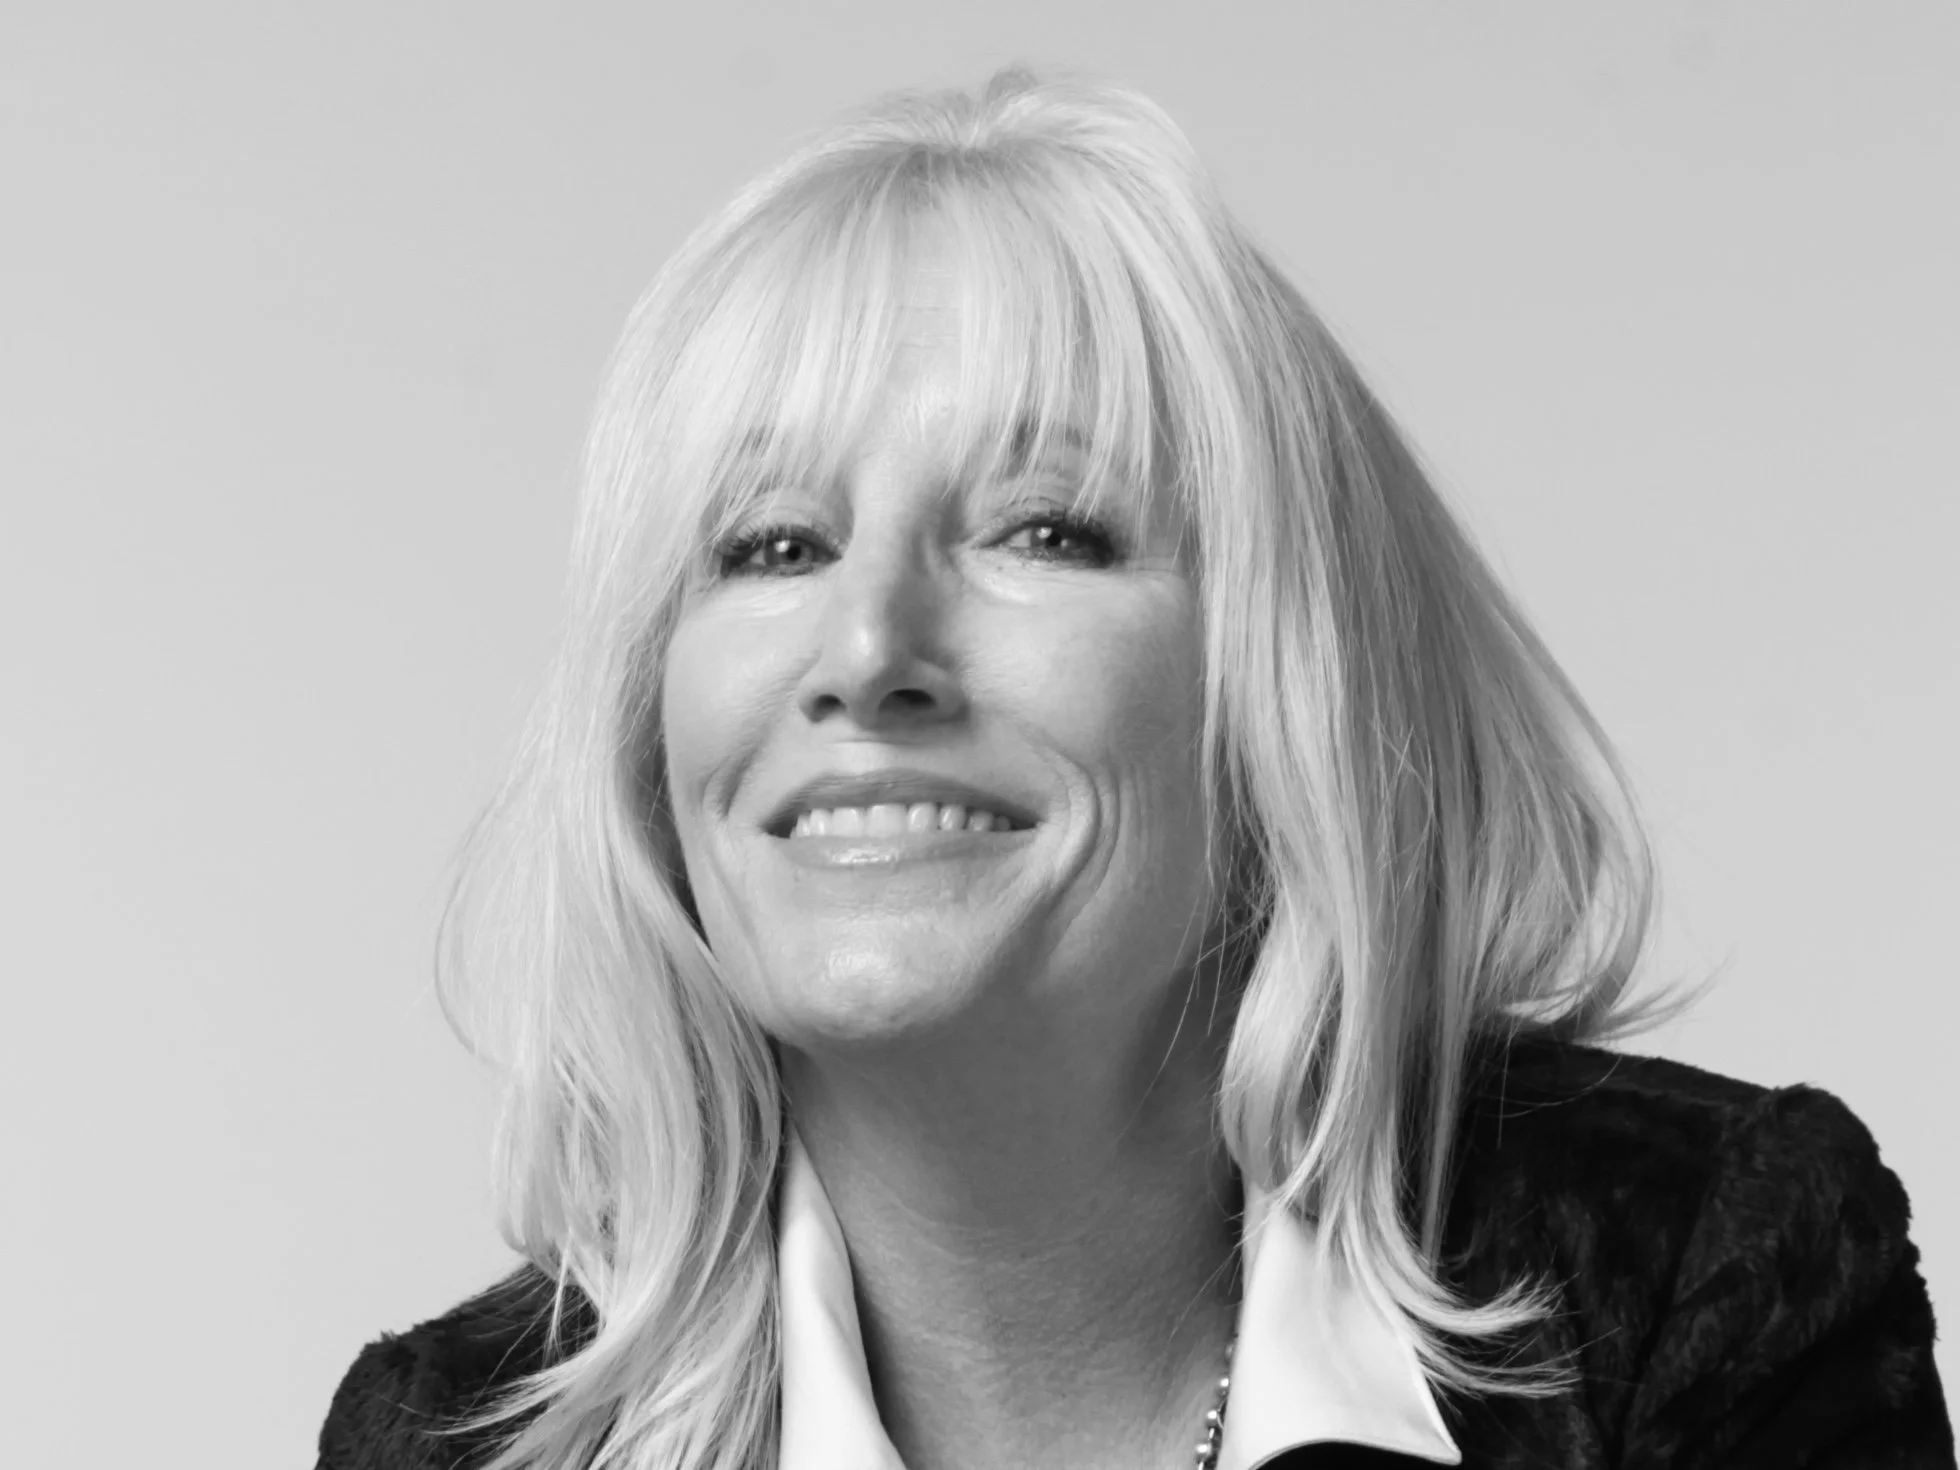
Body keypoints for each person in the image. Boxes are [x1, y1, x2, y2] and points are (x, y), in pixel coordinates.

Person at [317, 69, 1952, 1470]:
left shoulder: (1700, 1283)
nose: (867, 643)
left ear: (1282, 700)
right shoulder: (456, 1439)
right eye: (772, 544)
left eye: (1048, 527)